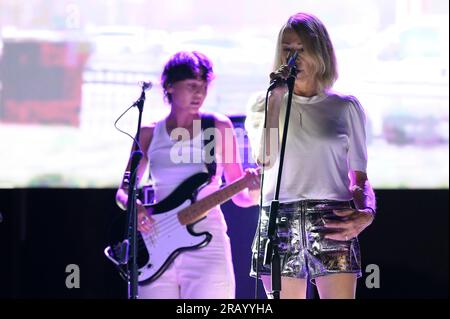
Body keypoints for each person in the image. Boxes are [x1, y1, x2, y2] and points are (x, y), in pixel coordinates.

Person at [245, 12, 376, 299]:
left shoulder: (344, 107)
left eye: (302, 50)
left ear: (320, 53)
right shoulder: (263, 103)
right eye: (287, 50)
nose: (294, 59)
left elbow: (360, 177)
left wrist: (367, 213)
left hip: (330, 219)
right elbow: (264, 160)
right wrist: (275, 101)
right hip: (279, 222)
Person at [116, 51, 260, 299]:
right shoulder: (149, 133)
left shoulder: (217, 126)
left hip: (207, 243)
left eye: (204, 87)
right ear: (169, 86)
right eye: (192, 85)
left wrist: (255, 188)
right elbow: (123, 191)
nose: (199, 94)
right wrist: (135, 207)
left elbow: (241, 196)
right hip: (156, 241)